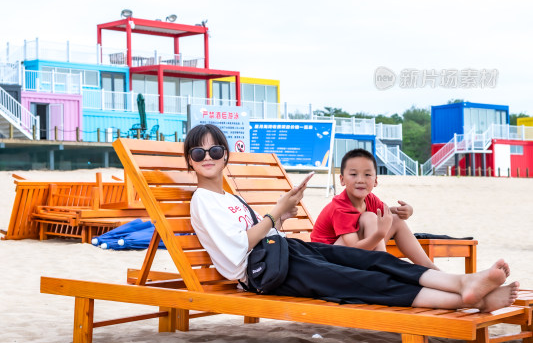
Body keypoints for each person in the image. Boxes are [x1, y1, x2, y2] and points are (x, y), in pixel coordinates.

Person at [186, 124, 519, 311]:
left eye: (215, 151)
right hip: (267, 271)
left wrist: (283, 215)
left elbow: (258, 232)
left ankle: (465, 286)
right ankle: (466, 300)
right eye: (199, 153)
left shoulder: (229, 198)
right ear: (190, 162)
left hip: (285, 251)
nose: (208, 158)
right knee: (360, 282)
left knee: (371, 264)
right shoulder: (202, 200)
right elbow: (234, 251)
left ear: (226, 156)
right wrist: (274, 215)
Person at [311, 148, 437, 270]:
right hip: (327, 261)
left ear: (375, 181)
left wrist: (407, 210)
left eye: (367, 175)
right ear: (342, 179)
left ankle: (427, 266)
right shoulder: (341, 207)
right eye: (354, 174)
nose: (360, 180)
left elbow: (389, 211)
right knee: (369, 217)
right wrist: (379, 234)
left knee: (395, 219)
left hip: (353, 253)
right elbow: (354, 250)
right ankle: (384, 267)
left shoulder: (370, 199)